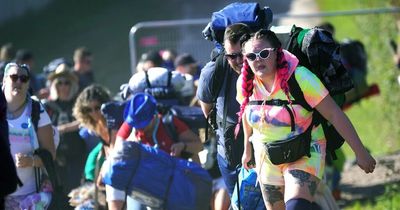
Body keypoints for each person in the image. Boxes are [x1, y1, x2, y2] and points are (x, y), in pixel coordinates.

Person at [236, 29, 376, 209]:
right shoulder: (244, 83)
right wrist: (247, 149)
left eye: (263, 54)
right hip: (267, 158)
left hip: (306, 151)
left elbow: (334, 113)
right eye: (251, 56)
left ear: (277, 52)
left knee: (296, 207)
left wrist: (360, 151)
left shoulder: (300, 77)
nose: (258, 60)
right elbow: (248, 116)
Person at [105, 92, 203, 210]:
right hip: (141, 185)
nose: (138, 128)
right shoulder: (129, 126)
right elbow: (117, 155)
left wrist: (182, 146)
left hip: (171, 186)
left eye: (142, 124)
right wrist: (131, 145)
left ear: (153, 116)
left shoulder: (169, 123)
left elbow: (198, 145)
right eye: (135, 124)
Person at [197, 23, 251, 196]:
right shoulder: (213, 73)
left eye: (242, 54)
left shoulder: (264, 64)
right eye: (231, 56)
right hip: (230, 153)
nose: (238, 61)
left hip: (264, 148)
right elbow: (208, 110)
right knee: (240, 202)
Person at [2, 63, 56, 209]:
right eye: (14, 77)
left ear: (27, 85)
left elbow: (50, 155)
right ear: (4, 80)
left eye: (24, 79)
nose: (19, 82)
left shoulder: (37, 110)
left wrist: (30, 161)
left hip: (30, 198)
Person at [42, 63, 86, 196]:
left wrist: (64, 128)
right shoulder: (48, 105)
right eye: (59, 83)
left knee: (75, 189)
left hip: (76, 152)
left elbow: (84, 120)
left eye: (67, 83)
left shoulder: (78, 102)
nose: (63, 86)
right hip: (56, 155)